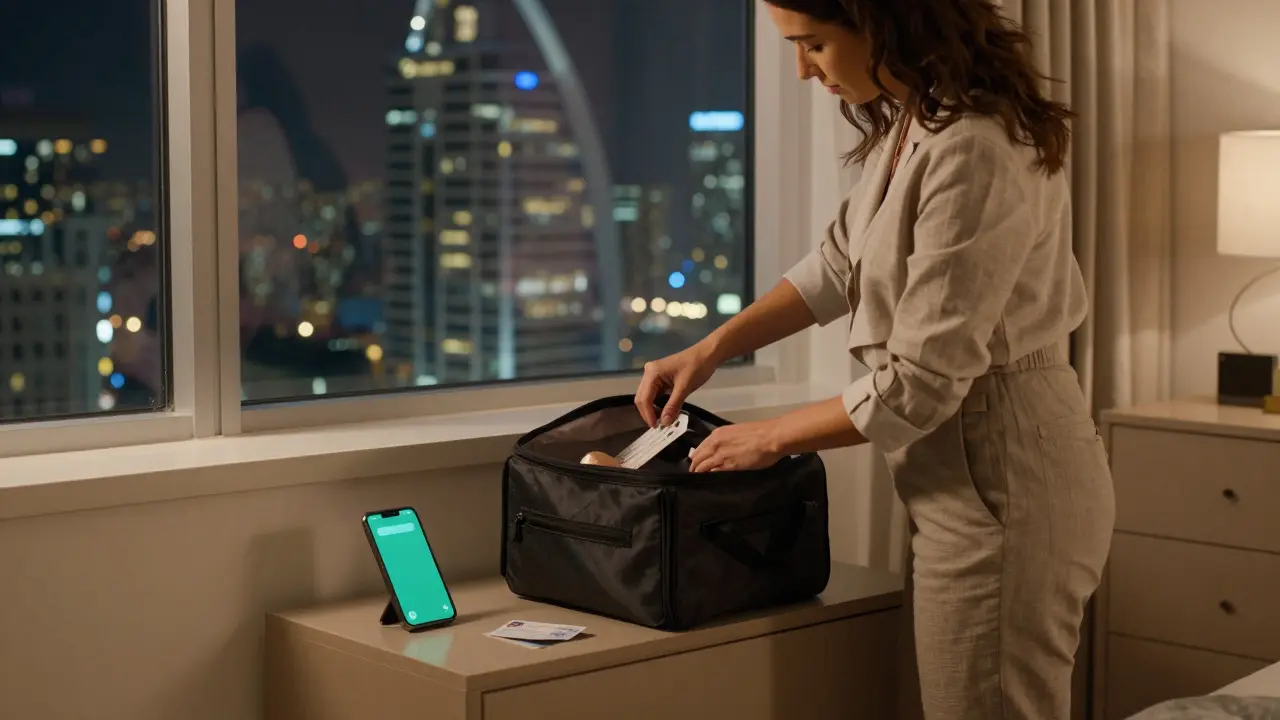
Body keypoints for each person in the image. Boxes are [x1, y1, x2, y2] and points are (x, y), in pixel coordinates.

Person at [634, 1, 1115, 718]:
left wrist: (766, 438)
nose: (803, 70)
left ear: (890, 22)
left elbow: (919, 383)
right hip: (961, 478)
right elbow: (837, 262)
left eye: (815, 45)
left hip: (1007, 476)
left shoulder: (973, 148)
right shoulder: (916, 123)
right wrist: (712, 348)